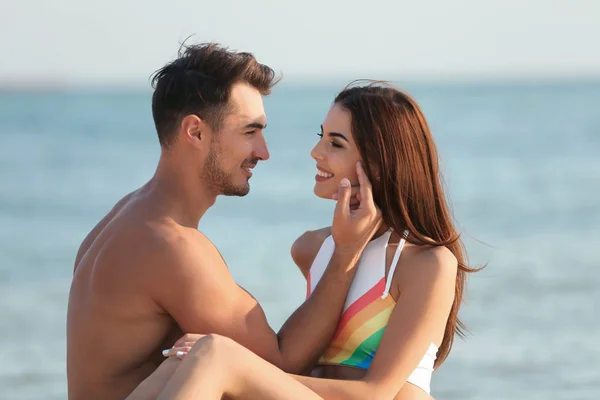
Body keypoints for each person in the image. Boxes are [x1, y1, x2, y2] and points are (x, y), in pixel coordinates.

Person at [66, 43, 382, 400]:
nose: (263, 152)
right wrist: (345, 253)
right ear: (196, 132)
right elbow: (278, 370)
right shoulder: (172, 246)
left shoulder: (128, 215)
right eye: (250, 132)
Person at [134, 81, 480, 400]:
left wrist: (236, 364)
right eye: (321, 136)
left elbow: (376, 393)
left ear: (377, 163)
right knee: (183, 361)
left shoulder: (426, 263)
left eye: (335, 143)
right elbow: (298, 364)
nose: (316, 152)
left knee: (213, 354)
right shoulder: (313, 249)